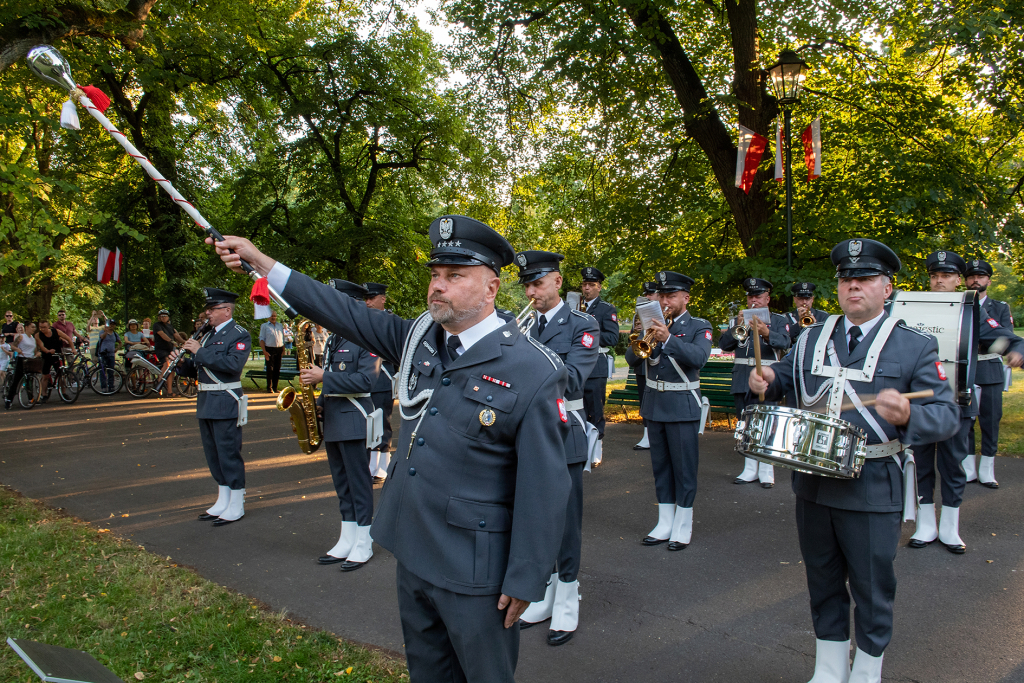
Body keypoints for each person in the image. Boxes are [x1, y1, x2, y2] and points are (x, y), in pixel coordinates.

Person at [207, 215, 570, 683]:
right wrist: (262, 263)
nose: (437, 287)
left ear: (491, 289)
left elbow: (545, 484)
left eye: (454, 276)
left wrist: (525, 578)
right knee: (427, 672)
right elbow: (340, 310)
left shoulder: (531, 368)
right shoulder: (419, 339)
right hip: (413, 550)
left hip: (476, 572)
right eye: (435, 275)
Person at [748, 238, 959, 683]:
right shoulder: (810, 338)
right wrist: (766, 377)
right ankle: (828, 668)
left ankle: (866, 671)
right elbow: (784, 379)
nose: (853, 287)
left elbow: (945, 416)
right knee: (822, 581)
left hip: (872, 485)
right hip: (813, 484)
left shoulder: (912, 346)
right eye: (847, 280)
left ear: (887, 288)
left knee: (871, 587)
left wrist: (909, 414)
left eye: (864, 279)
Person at [908, 251, 1024, 554]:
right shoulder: (915, 306)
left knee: (953, 465)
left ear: (958, 280)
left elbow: (999, 336)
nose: (939, 281)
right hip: (919, 403)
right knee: (920, 465)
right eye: (934, 276)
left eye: (946, 276)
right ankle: (925, 524)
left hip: (958, 399)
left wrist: (1013, 349)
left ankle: (949, 526)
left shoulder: (969, 308)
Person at [514, 250, 599, 645]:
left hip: (565, 430)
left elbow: (574, 377)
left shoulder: (583, 323)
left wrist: (521, 358)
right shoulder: (520, 327)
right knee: (532, 516)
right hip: (527, 433)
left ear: (557, 282)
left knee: (565, 522)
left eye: (538, 283)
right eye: (527, 284)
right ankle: (544, 595)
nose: (532, 291)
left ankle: (567, 599)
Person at [626, 271, 712, 551]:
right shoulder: (652, 324)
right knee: (660, 468)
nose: (665, 300)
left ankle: (682, 525)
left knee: (684, 469)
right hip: (655, 404)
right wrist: (641, 334)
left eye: (671, 296)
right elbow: (632, 360)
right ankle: (664, 522)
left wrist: (668, 339)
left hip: (682, 406)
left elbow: (699, 358)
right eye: (662, 295)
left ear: (685, 298)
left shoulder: (699, 325)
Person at [302, 279, 382, 570]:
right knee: (341, 482)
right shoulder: (336, 337)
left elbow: (366, 381)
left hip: (354, 417)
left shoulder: (365, 336)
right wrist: (319, 404)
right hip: (335, 417)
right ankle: (347, 536)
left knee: (358, 482)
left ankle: (364, 541)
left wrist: (324, 378)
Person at [172, 288, 251, 526]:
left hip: (225, 399)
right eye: (208, 309)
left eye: (212, 309)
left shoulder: (239, 334)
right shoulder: (206, 336)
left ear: (227, 310)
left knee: (228, 452)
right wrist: (180, 362)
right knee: (213, 454)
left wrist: (199, 351)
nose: (208, 313)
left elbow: (232, 365)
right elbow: (197, 369)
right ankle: (223, 497)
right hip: (206, 400)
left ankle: (236, 501)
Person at [718, 277, 791, 487]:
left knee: (768, 424)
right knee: (745, 424)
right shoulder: (738, 320)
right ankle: (749, 468)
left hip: (766, 377)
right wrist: (739, 326)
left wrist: (767, 333)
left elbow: (786, 342)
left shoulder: (778, 320)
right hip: (742, 376)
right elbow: (725, 345)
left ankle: (767, 471)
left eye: (758, 296)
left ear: (767, 298)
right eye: (750, 296)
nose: (753, 300)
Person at [964, 258, 1013, 487]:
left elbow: (1005, 337)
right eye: (971, 277)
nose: (975, 280)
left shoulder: (1000, 308)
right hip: (967, 370)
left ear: (988, 281)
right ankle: (968, 469)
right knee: (967, 420)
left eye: (980, 277)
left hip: (990, 369)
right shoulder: (960, 304)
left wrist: (985, 342)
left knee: (990, 421)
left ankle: (987, 470)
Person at [579, 266, 619, 466]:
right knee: (578, 408)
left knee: (595, 408)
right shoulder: (574, 308)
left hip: (596, 365)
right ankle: (580, 447)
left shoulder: (606, 309)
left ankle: (596, 448)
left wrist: (588, 334)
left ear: (599, 287)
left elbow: (612, 338)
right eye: (584, 284)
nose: (587, 289)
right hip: (576, 364)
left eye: (591, 285)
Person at [364, 282, 397, 480]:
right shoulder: (361, 320)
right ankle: (369, 462)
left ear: (382, 298)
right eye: (365, 298)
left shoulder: (391, 321)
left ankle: (383, 463)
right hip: (364, 377)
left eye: (371, 297)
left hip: (383, 375)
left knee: (382, 420)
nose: (367, 302)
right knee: (366, 420)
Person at [633, 281, 659, 451]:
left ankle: (655, 433)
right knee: (644, 400)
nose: (647, 296)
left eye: (651, 294)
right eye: (646, 294)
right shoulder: (639, 313)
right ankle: (647, 433)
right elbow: (633, 336)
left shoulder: (661, 314)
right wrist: (638, 329)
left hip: (657, 364)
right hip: (642, 363)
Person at [35, 320, 72, 403]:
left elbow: (68, 338)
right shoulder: (38, 335)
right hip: (46, 356)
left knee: (61, 375)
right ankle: (44, 394)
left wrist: (73, 349)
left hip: (57, 355)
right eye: (40, 327)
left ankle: (64, 393)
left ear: (49, 326)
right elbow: (41, 346)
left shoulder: (56, 332)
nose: (42, 329)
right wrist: (48, 351)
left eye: (44, 327)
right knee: (45, 376)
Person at [4, 322, 38, 409]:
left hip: (29, 360)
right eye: (32, 327)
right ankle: (9, 400)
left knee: (29, 380)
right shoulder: (21, 337)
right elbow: (13, 346)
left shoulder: (33, 339)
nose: (34, 329)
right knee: (16, 380)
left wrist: (37, 354)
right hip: (21, 359)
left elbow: (34, 350)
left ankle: (31, 398)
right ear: (26, 327)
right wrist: (17, 349)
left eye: (35, 327)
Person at [259, 311, 285, 393]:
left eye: (274, 316)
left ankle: (275, 387)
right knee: (270, 369)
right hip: (269, 349)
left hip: (279, 348)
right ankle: (269, 387)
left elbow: (283, 338)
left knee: (277, 369)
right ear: (268, 317)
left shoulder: (280, 325)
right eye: (271, 316)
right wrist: (264, 351)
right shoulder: (264, 326)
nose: (273, 317)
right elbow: (261, 339)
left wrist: (283, 350)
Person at [97, 319, 120, 392]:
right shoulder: (102, 332)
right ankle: (104, 386)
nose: (111, 326)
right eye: (110, 324)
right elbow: (102, 337)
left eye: (113, 324)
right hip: (103, 354)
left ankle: (111, 386)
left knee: (111, 371)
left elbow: (120, 342)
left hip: (111, 354)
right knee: (103, 371)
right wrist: (106, 331)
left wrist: (117, 348)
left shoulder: (115, 334)